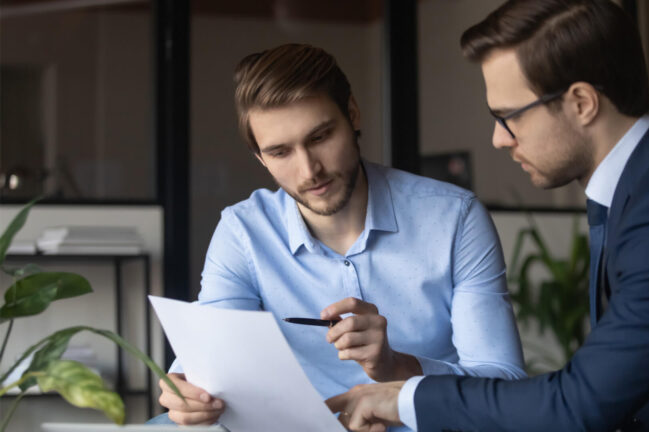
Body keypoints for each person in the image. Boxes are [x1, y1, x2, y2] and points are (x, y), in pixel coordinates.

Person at [325, 1, 649, 431]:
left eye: (508, 117)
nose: (499, 139)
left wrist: (402, 399)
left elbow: (579, 406)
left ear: (581, 102)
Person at [149, 43, 526, 427]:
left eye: (320, 137)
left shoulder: (454, 217)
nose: (309, 170)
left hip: (413, 420)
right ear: (261, 158)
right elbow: (216, 351)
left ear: (353, 114)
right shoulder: (243, 230)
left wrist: (396, 367)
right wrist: (186, 390)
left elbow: (503, 383)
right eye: (280, 152)